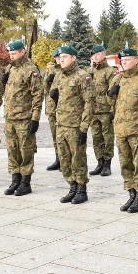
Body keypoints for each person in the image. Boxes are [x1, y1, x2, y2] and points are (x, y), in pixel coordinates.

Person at [107, 46, 138, 212]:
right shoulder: (118, 80)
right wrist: (110, 94)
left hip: (137, 131)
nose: (124, 62)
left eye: (128, 59)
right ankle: (131, 194)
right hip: (121, 130)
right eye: (122, 60)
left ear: (136, 60)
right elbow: (110, 104)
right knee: (125, 164)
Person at [50, 45, 94, 204]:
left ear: (74, 58)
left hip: (75, 125)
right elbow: (56, 97)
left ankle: (81, 188)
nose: (61, 59)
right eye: (60, 57)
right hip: (61, 124)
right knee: (64, 159)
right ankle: (72, 186)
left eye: (65, 57)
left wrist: (84, 127)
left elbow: (89, 103)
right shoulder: (59, 75)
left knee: (78, 158)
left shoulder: (83, 76)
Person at [2, 40, 44, 196]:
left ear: (22, 51)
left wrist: (35, 118)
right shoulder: (10, 68)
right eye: (10, 54)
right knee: (12, 150)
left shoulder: (31, 70)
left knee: (25, 150)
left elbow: (38, 95)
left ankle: (25, 182)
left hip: (24, 118)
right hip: (10, 118)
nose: (11, 57)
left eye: (14, 53)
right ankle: (15, 179)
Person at [88, 43, 116, 177]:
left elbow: (112, 92)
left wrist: (112, 110)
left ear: (104, 54)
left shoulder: (110, 71)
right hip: (93, 110)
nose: (95, 57)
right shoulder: (91, 71)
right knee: (96, 137)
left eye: (98, 54)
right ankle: (99, 162)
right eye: (93, 55)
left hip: (105, 110)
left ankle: (107, 164)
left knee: (107, 137)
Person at [43, 48, 62, 170]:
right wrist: (47, 80)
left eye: (62, 56)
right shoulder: (50, 69)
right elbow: (44, 89)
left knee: (64, 137)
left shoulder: (67, 71)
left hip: (64, 109)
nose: (60, 59)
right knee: (55, 136)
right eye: (57, 57)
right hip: (52, 108)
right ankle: (58, 159)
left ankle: (66, 160)